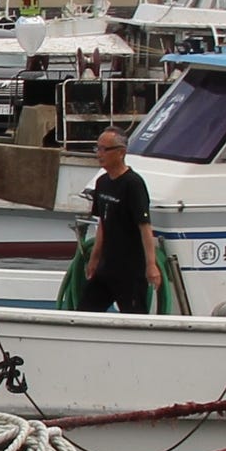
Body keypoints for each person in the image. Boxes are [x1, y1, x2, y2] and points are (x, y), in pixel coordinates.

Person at [83, 127, 158, 313]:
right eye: (97, 149)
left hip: (130, 269)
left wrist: (151, 265)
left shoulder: (133, 184)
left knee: (134, 316)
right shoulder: (102, 183)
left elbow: (144, 226)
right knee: (84, 311)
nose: (99, 154)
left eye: (104, 149)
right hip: (106, 266)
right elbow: (103, 224)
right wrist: (94, 259)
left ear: (121, 152)